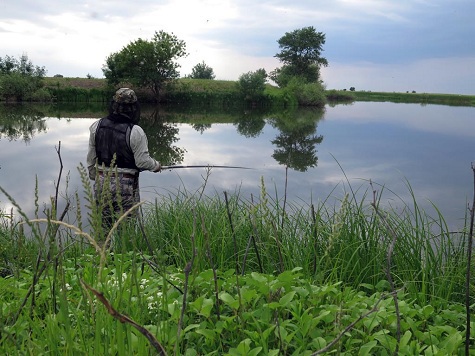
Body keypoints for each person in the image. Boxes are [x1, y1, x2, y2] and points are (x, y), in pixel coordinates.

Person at [87, 88, 161, 229]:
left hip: (101, 183)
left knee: (103, 230)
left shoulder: (96, 126)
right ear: (133, 108)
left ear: (114, 105)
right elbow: (142, 161)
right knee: (126, 232)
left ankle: (102, 251)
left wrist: (94, 178)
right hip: (126, 187)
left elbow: (91, 159)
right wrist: (156, 165)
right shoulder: (136, 131)